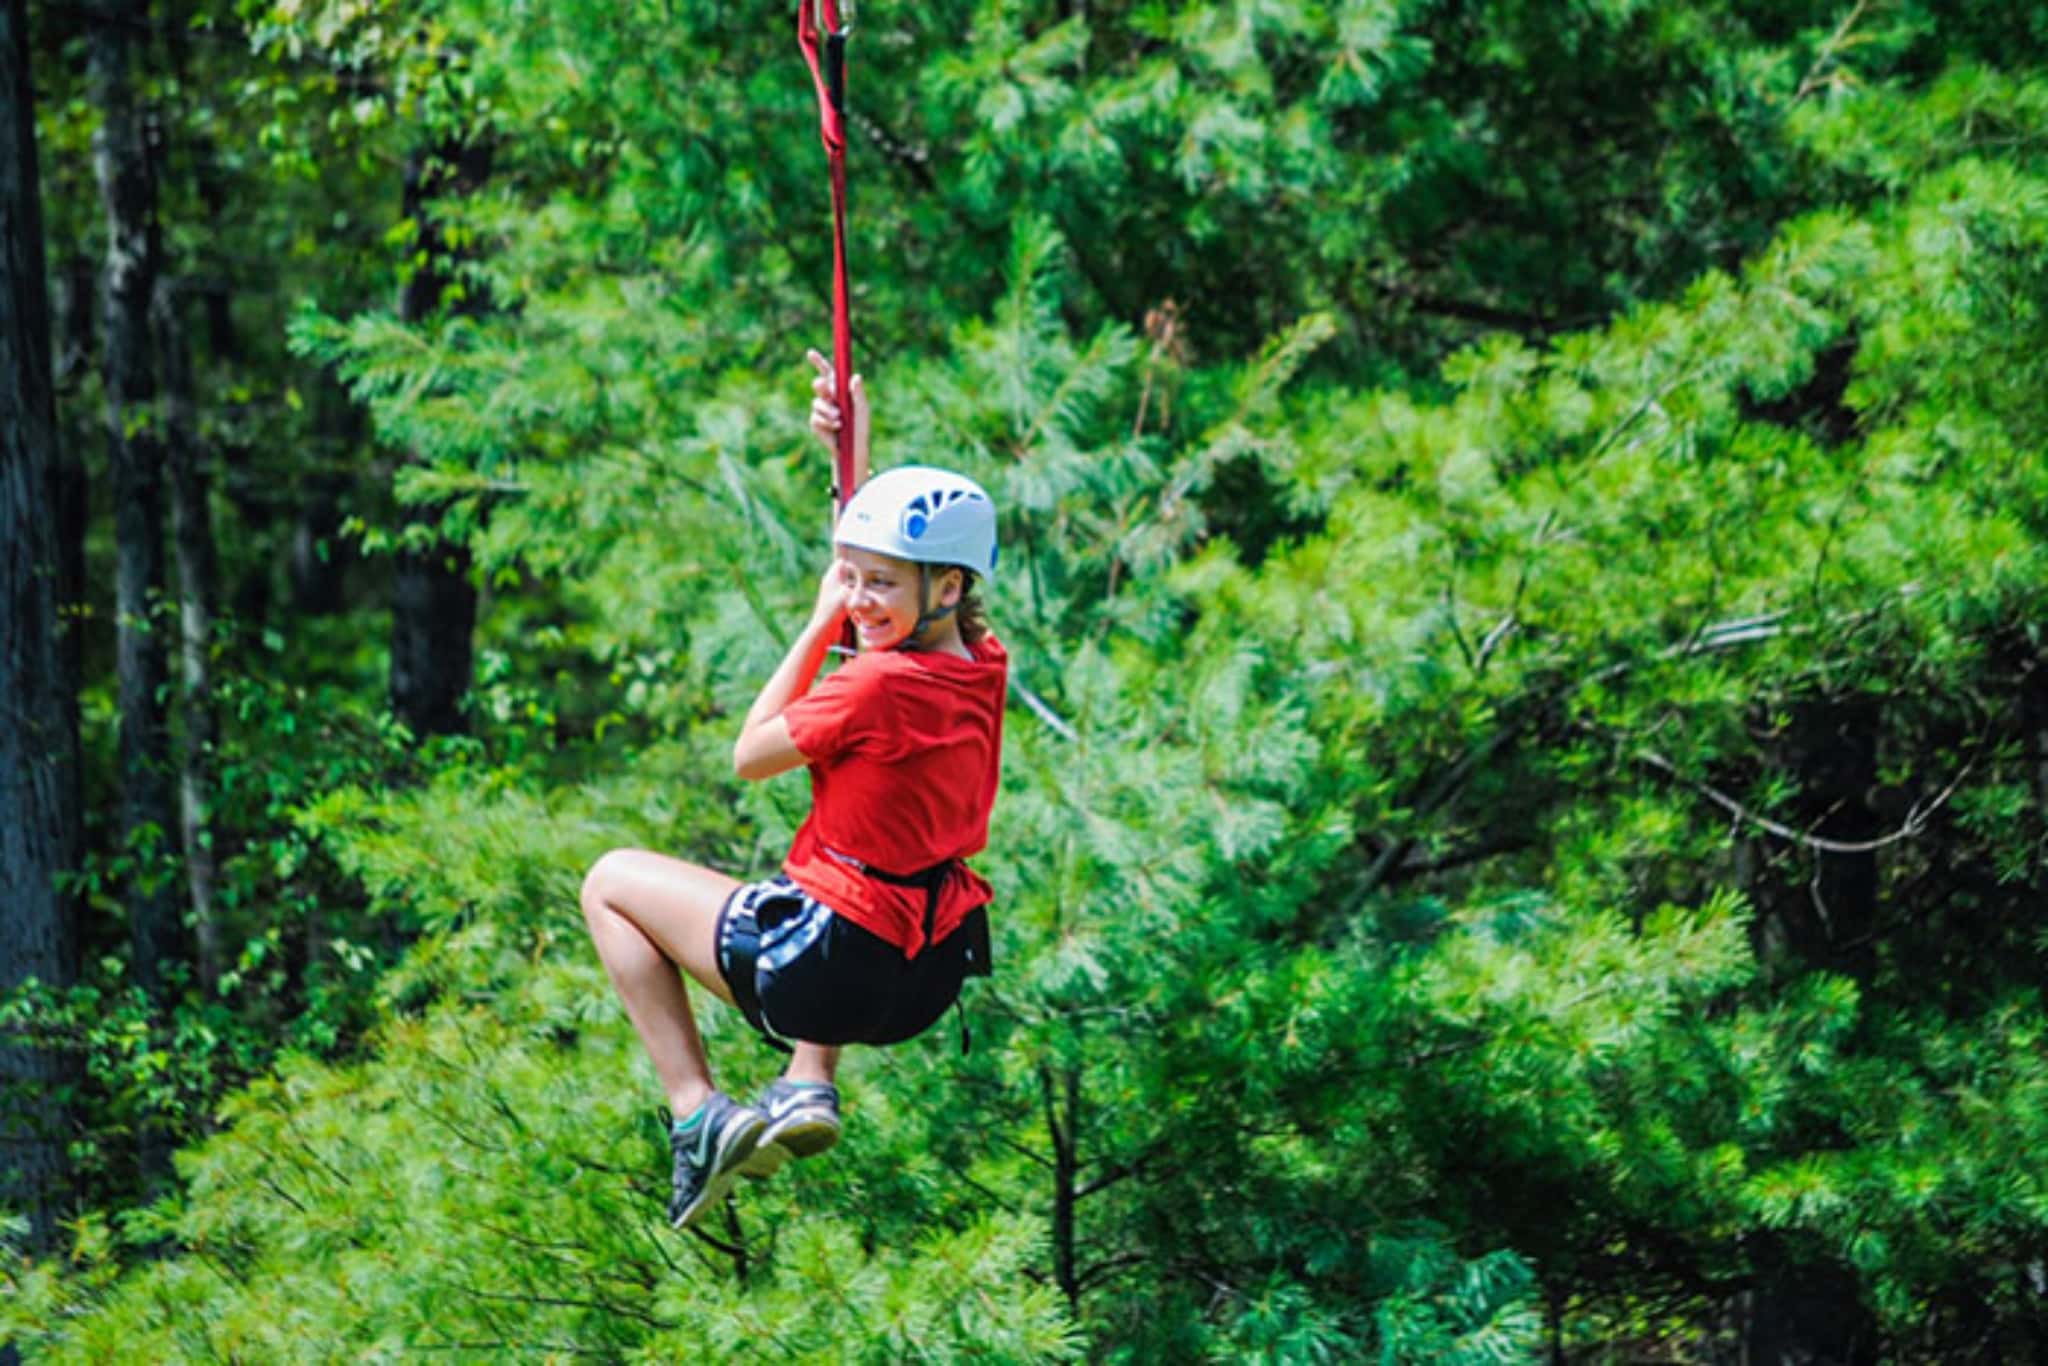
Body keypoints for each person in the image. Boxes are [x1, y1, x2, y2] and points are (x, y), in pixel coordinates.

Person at [580, 350, 1008, 1230]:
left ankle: (698, 1114)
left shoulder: (871, 686)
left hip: (823, 973)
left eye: (878, 584)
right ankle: (810, 1080)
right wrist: (851, 454)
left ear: (948, 586)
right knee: (856, 852)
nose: (857, 600)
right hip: (926, 976)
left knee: (611, 883)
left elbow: (751, 752)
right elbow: (889, 567)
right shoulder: (981, 666)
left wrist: (817, 624)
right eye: (850, 578)